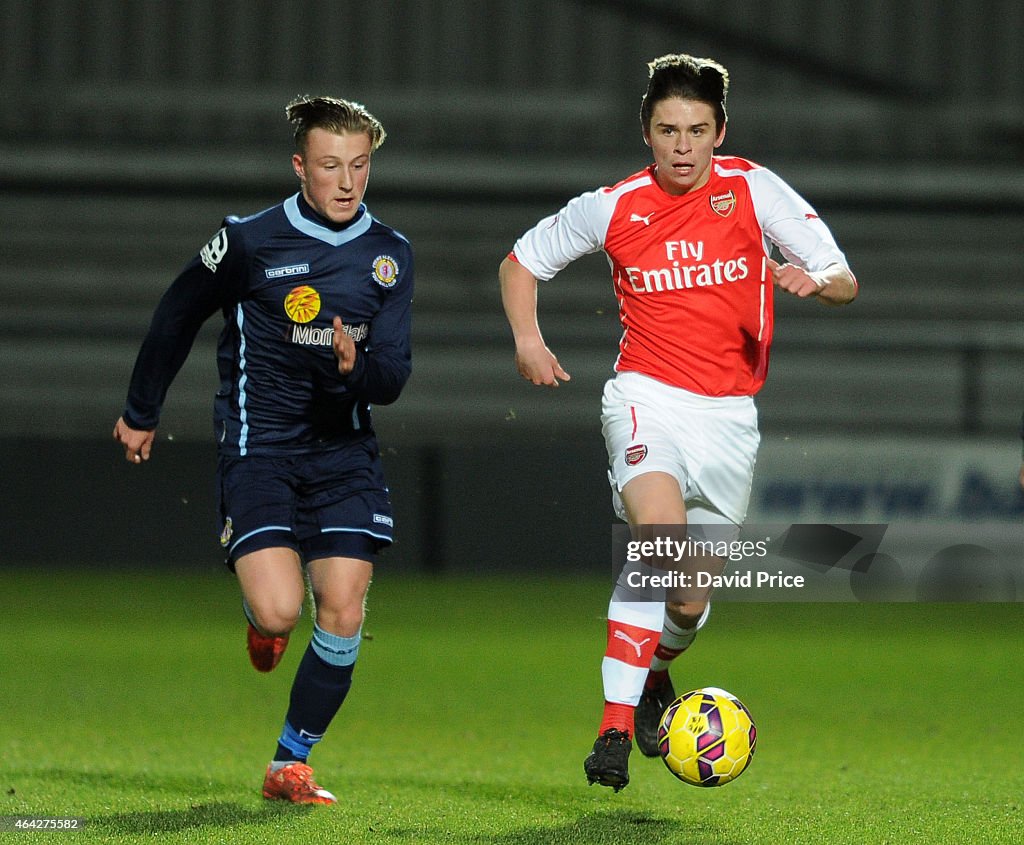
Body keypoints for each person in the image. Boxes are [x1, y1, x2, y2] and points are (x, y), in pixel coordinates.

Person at [499, 53, 856, 791]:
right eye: (669, 129)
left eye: (697, 129)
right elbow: (521, 262)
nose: (683, 146)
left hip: (728, 418)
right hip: (646, 398)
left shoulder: (753, 190)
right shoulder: (614, 205)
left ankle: (657, 668)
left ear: (720, 130)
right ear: (647, 132)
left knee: (690, 600)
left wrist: (812, 280)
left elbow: (844, 279)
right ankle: (612, 728)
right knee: (656, 543)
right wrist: (529, 339)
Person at [113, 96, 414, 804]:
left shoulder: (390, 255)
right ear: (300, 166)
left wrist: (354, 370)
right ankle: (260, 621)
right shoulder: (249, 240)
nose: (347, 182)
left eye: (360, 166)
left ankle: (290, 761)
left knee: (342, 604)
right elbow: (177, 311)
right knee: (282, 610)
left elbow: (393, 374)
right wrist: (141, 409)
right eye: (331, 166)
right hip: (261, 450)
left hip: (344, 455)